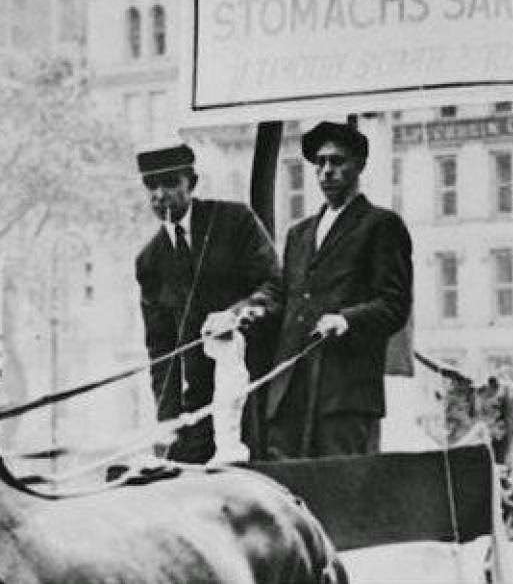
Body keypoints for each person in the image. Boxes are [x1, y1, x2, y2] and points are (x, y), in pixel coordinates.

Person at [238, 121, 412, 459]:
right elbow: (283, 294)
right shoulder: (299, 234)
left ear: (359, 165)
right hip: (290, 389)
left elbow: (394, 305)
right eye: (319, 163)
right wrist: (255, 310)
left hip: (343, 394)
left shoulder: (381, 225)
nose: (326, 172)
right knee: (285, 491)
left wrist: (345, 321)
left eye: (337, 162)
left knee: (338, 492)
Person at [134, 142, 281, 463]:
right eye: (151, 186)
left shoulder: (235, 221)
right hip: (199, 404)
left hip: (253, 390)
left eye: (170, 183)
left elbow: (274, 285)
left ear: (192, 183)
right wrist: (167, 425)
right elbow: (161, 350)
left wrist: (237, 314)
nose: (159, 195)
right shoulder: (149, 260)